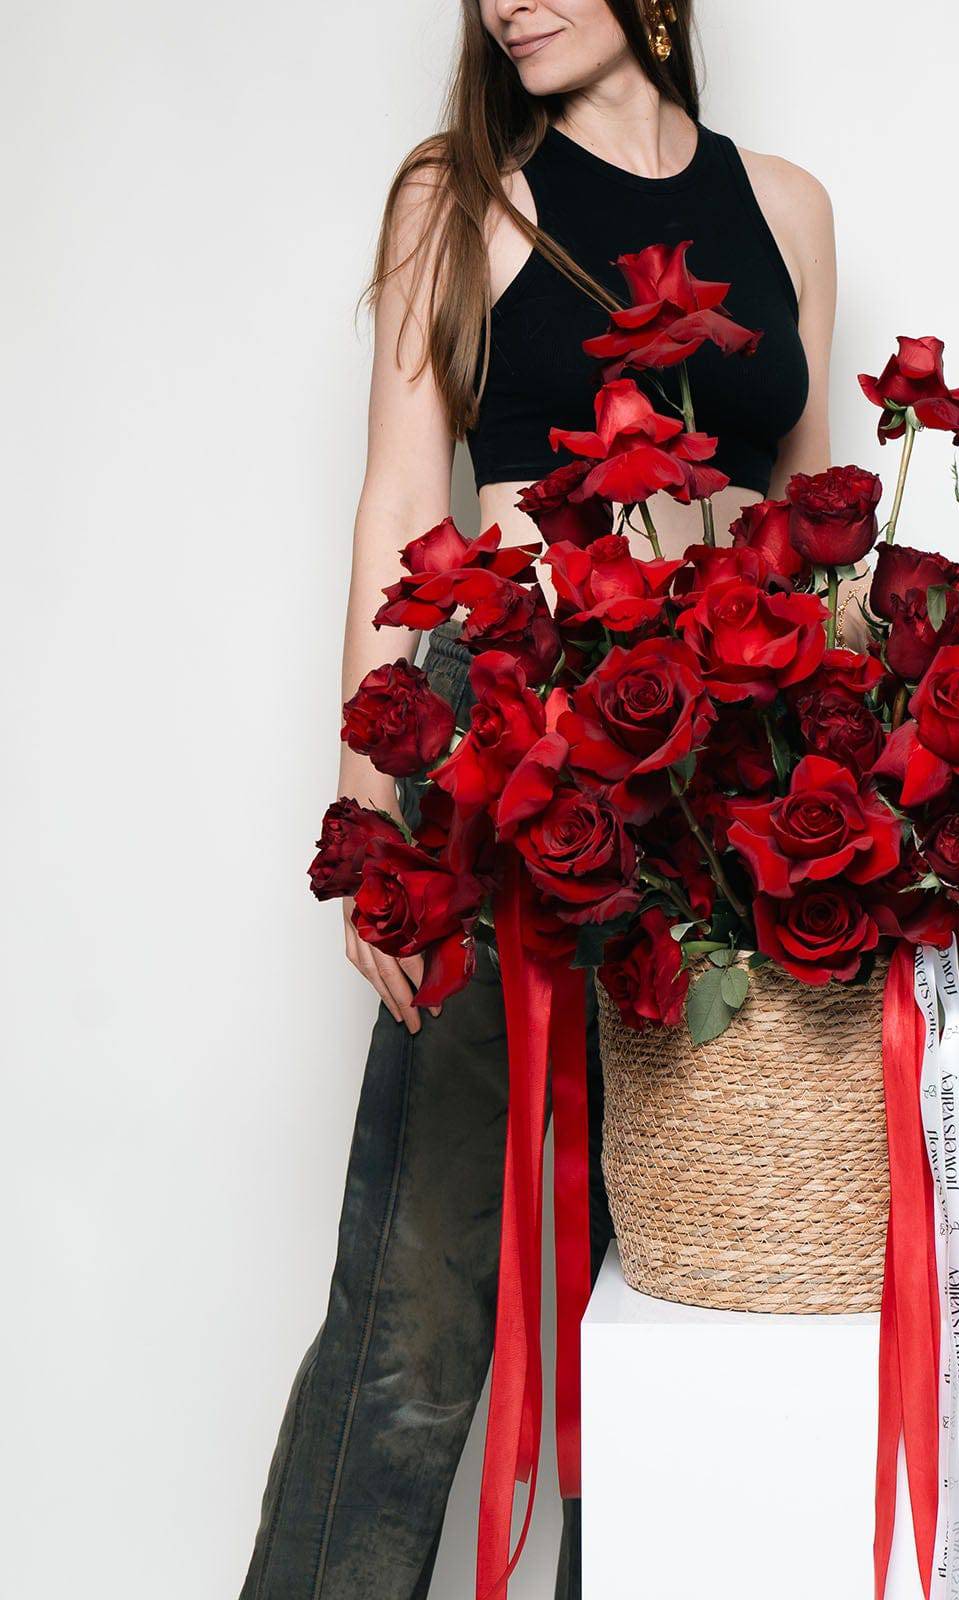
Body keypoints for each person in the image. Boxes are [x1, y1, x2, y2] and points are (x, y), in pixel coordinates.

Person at [239, 3, 836, 1596]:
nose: (508, 0)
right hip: (512, 742)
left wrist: (850, 778)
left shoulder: (784, 208)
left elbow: (814, 516)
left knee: (684, 1291)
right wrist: (375, 813)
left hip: (727, 777)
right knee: (426, 1298)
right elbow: (400, 499)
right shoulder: (460, 195)